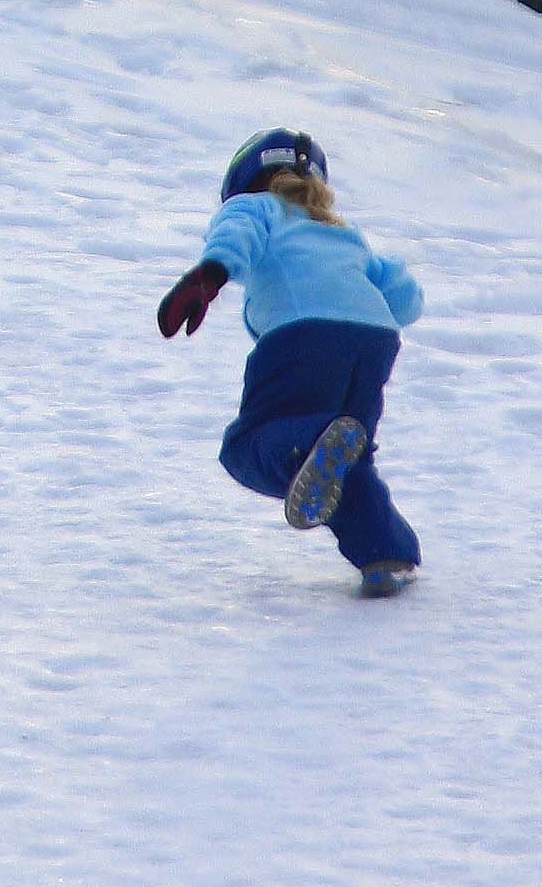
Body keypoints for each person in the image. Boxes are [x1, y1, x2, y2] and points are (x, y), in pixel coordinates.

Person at [158, 128, 423, 593]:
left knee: (251, 444)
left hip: (301, 334)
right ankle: (387, 554)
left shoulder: (255, 206)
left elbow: (235, 230)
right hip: (376, 341)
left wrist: (210, 274)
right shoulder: (344, 234)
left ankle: (312, 440)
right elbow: (403, 296)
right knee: (346, 466)